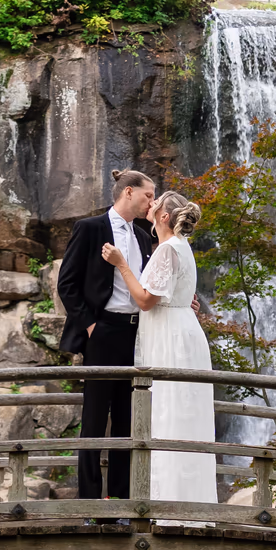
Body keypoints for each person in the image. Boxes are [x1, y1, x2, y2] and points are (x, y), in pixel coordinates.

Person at [101, 190, 218, 504]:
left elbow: (145, 300)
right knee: (182, 415)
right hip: (180, 331)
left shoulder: (167, 249)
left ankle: (168, 505)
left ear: (164, 216)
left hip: (171, 338)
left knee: (169, 413)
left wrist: (121, 264)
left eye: (155, 202)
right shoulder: (181, 247)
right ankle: (185, 502)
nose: (149, 205)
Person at [56, 169, 156, 499]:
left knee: (128, 421)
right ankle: (89, 504)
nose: (151, 203)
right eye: (148, 196)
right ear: (128, 192)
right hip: (102, 332)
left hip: (135, 336)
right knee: (95, 420)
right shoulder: (90, 228)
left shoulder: (143, 237)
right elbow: (66, 284)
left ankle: (120, 502)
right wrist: (90, 326)